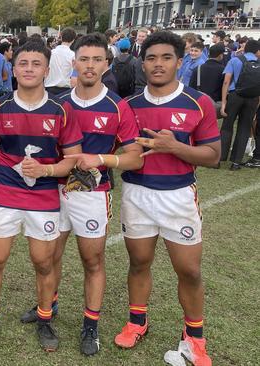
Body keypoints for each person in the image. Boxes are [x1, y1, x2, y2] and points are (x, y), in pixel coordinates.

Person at [18, 33, 143, 356]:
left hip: (91, 194)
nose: (89, 65)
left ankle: (90, 325)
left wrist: (101, 159)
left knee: (92, 260)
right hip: (53, 191)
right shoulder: (60, 104)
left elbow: (134, 157)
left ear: (106, 64)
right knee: (48, 257)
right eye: (83, 59)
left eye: (96, 60)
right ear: (73, 63)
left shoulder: (118, 107)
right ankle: (49, 305)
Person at [0, 40, 82, 352]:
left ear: (47, 70)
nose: (29, 69)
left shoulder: (62, 111)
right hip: (4, 195)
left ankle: (45, 319)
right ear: (14, 69)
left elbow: (73, 160)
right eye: (23, 63)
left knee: (44, 262)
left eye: (36, 64)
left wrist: (45, 171)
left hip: (44, 198)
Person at [117, 31, 219, 366]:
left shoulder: (198, 102)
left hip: (178, 196)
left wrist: (173, 146)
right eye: (151, 58)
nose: (158, 64)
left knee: (189, 270)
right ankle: (137, 320)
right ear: (142, 63)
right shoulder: (128, 105)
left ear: (179, 61)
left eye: (165, 58)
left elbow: (213, 155)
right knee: (139, 262)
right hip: (137, 194)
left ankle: (194, 337)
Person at [219, 39, 260, 170]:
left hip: (235, 95)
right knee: (244, 127)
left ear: (245, 48)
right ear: (257, 51)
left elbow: (226, 81)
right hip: (252, 98)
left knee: (227, 126)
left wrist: (224, 102)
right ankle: (236, 162)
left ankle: (219, 159)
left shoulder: (235, 60)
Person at [45, 28, 76, 96]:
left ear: (61, 37)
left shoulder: (50, 53)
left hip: (49, 88)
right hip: (65, 90)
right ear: (73, 40)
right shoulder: (73, 55)